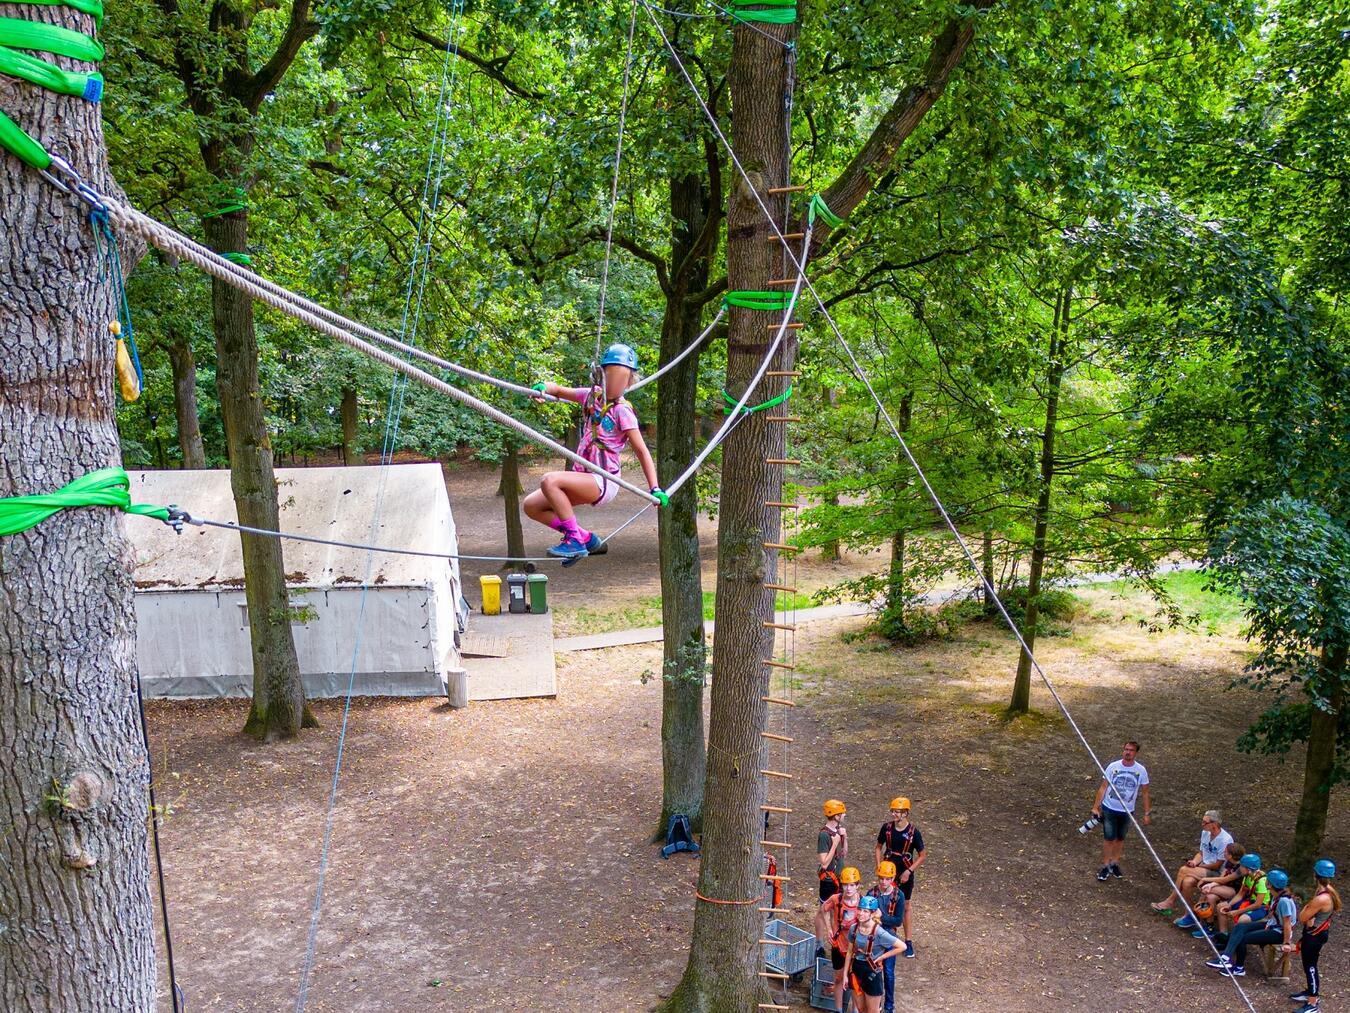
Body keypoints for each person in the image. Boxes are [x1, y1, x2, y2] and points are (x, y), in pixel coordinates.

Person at [525, 343, 663, 560]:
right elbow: (559, 390)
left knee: (549, 480)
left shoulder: (622, 411)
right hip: (584, 476)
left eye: (621, 378)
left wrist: (654, 488)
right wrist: (543, 388)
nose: (614, 383)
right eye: (610, 376)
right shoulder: (592, 397)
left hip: (603, 480)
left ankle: (574, 541)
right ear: (601, 375)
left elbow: (642, 451)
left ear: (629, 381)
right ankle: (586, 538)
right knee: (532, 506)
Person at [1205, 867, 1297, 977]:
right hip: (1271, 925)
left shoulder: (1284, 901)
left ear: (1270, 885)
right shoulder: (1277, 895)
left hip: (1279, 933)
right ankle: (1225, 958)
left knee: (1242, 938)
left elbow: (1287, 923)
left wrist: (1286, 943)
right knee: (1241, 927)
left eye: (1267, 880)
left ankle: (1239, 968)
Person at [1154, 810, 1233, 921]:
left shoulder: (1225, 840)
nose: (1202, 824)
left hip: (1217, 872)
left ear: (1214, 824)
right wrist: (1195, 862)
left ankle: (1170, 901)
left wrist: (1198, 867)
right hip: (1204, 867)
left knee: (1183, 870)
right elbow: (1201, 853)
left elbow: (1217, 865)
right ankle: (1190, 913)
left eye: (1205, 822)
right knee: (1186, 882)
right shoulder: (1205, 833)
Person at [1090, 740, 1151, 881]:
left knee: (1120, 838)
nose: (1127, 752)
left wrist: (1147, 813)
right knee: (1109, 838)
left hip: (1127, 811)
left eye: (1131, 750)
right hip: (1110, 808)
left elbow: (1146, 792)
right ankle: (1106, 865)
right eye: (1126, 749)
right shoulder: (1113, 766)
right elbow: (1103, 787)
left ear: (1136, 753)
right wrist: (1095, 806)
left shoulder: (1141, 770)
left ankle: (1114, 863)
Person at [875, 797, 925, 957]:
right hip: (888, 872)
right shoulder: (887, 828)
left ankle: (908, 941)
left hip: (904, 871)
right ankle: (883, 935)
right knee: (883, 900)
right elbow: (878, 847)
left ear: (905, 813)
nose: (894, 814)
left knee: (906, 906)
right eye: (893, 811)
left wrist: (909, 871)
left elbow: (922, 855)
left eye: (897, 811)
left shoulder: (913, 832)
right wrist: (879, 866)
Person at [1288, 858, 1340, 1012]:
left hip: (1315, 935)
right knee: (1308, 965)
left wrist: (1306, 910)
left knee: (1311, 967)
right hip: (1316, 933)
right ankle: (1309, 992)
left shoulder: (1321, 897)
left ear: (1315, 875)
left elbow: (1302, 917)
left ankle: (1312, 1002)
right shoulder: (1327, 890)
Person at [843, 896, 906, 1013]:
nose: (861, 913)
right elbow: (850, 952)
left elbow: (902, 946)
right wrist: (845, 975)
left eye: (865, 911)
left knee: (872, 1011)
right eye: (860, 909)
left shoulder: (879, 932)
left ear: (872, 914)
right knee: (861, 1009)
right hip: (856, 971)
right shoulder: (854, 929)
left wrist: (882, 957)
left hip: (872, 973)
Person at [814, 866, 863, 1012]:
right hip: (839, 946)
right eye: (846, 884)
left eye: (852, 885)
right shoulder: (836, 899)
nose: (848, 888)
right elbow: (823, 909)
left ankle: (855, 1010)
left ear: (857, 886)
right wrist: (829, 928)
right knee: (838, 979)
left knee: (855, 982)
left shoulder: (863, 902)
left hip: (856, 948)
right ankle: (838, 1009)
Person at [867, 862, 906, 1013]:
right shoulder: (872, 894)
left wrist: (881, 918)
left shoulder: (898, 896)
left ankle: (889, 1006)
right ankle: (875, 1003)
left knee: (888, 973)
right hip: (873, 937)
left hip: (889, 936)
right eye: (881, 878)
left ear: (892, 878)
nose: (883, 882)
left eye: (887, 879)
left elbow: (898, 920)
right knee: (873, 970)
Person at [1189, 842, 1246, 938]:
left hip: (1235, 892)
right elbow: (1221, 877)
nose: (1224, 853)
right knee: (1210, 896)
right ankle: (1209, 927)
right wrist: (1211, 884)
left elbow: (1225, 880)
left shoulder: (1240, 868)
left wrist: (1205, 880)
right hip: (1224, 887)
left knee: (1206, 889)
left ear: (1230, 855)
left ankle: (1198, 913)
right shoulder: (1228, 862)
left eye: (1225, 852)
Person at [1215, 852, 1270, 944]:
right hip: (1249, 901)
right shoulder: (1247, 877)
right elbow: (1240, 894)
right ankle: (1224, 936)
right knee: (1221, 906)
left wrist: (1237, 912)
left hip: (1261, 907)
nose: (1240, 868)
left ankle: (1235, 942)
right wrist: (1229, 905)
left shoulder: (1261, 881)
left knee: (1243, 919)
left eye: (1242, 866)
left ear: (1248, 869)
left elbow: (1257, 904)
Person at [819, 799, 849, 902]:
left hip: (839, 878)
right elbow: (824, 864)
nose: (844, 815)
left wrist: (844, 837)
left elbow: (844, 853)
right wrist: (835, 844)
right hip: (829, 881)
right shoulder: (824, 835)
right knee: (827, 912)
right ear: (836, 816)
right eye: (842, 813)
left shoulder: (838, 830)